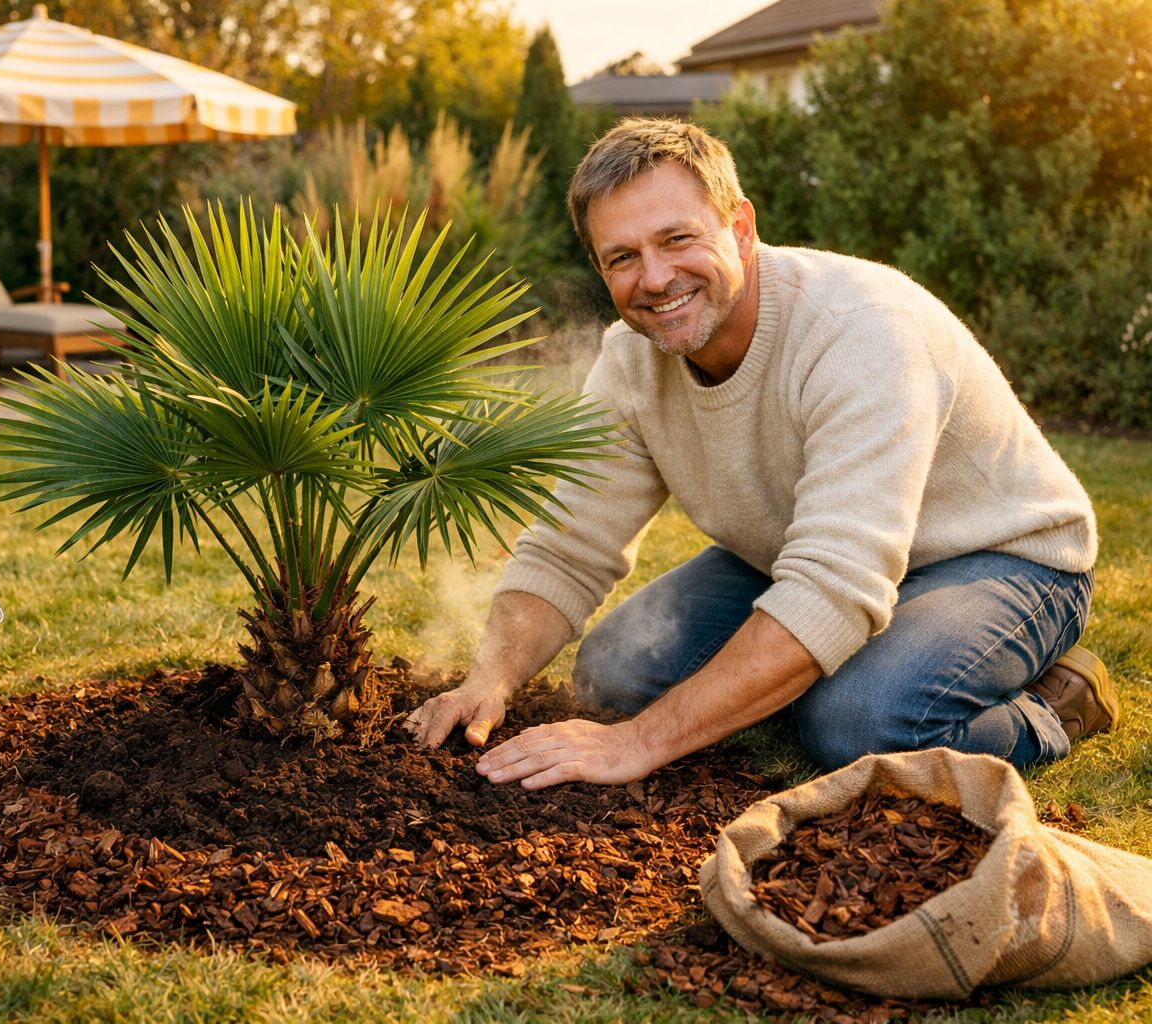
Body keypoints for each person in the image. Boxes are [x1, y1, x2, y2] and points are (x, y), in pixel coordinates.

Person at [404, 117, 1119, 789]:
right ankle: (821, 666)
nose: (654, 279)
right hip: (801, 556)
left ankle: (1050, 709)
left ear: (740, 228)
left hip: (999, 558)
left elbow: (835, 584)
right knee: (614, 673)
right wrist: (489, 680)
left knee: (856, 720)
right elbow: (568, 544)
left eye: (677, 239)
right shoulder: (631, 361)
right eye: (623, 257)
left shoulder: (860, 330)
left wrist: (639, 743)